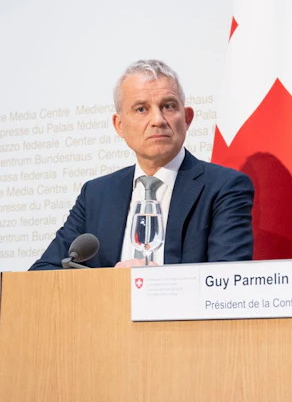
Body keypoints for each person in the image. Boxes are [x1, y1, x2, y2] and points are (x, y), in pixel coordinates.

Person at [31, 60, 254, 269]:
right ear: (119, 125)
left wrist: (159, 284)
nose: (157, 120)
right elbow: (45, 272)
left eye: (168, 106)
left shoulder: (223, 187)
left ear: (187, 118)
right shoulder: (96, 194)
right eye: (141, 109)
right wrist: (112, 283)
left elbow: (227, 279)